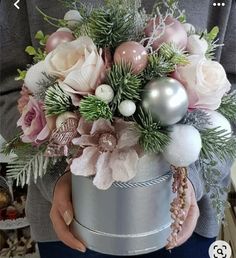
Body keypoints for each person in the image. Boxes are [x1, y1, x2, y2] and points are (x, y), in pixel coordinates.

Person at [0, 0, 235, 257]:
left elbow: (230, 87)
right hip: (70, 218)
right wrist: (53, 175)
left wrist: (193, 178)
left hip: (182, 216)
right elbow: (9, 86)